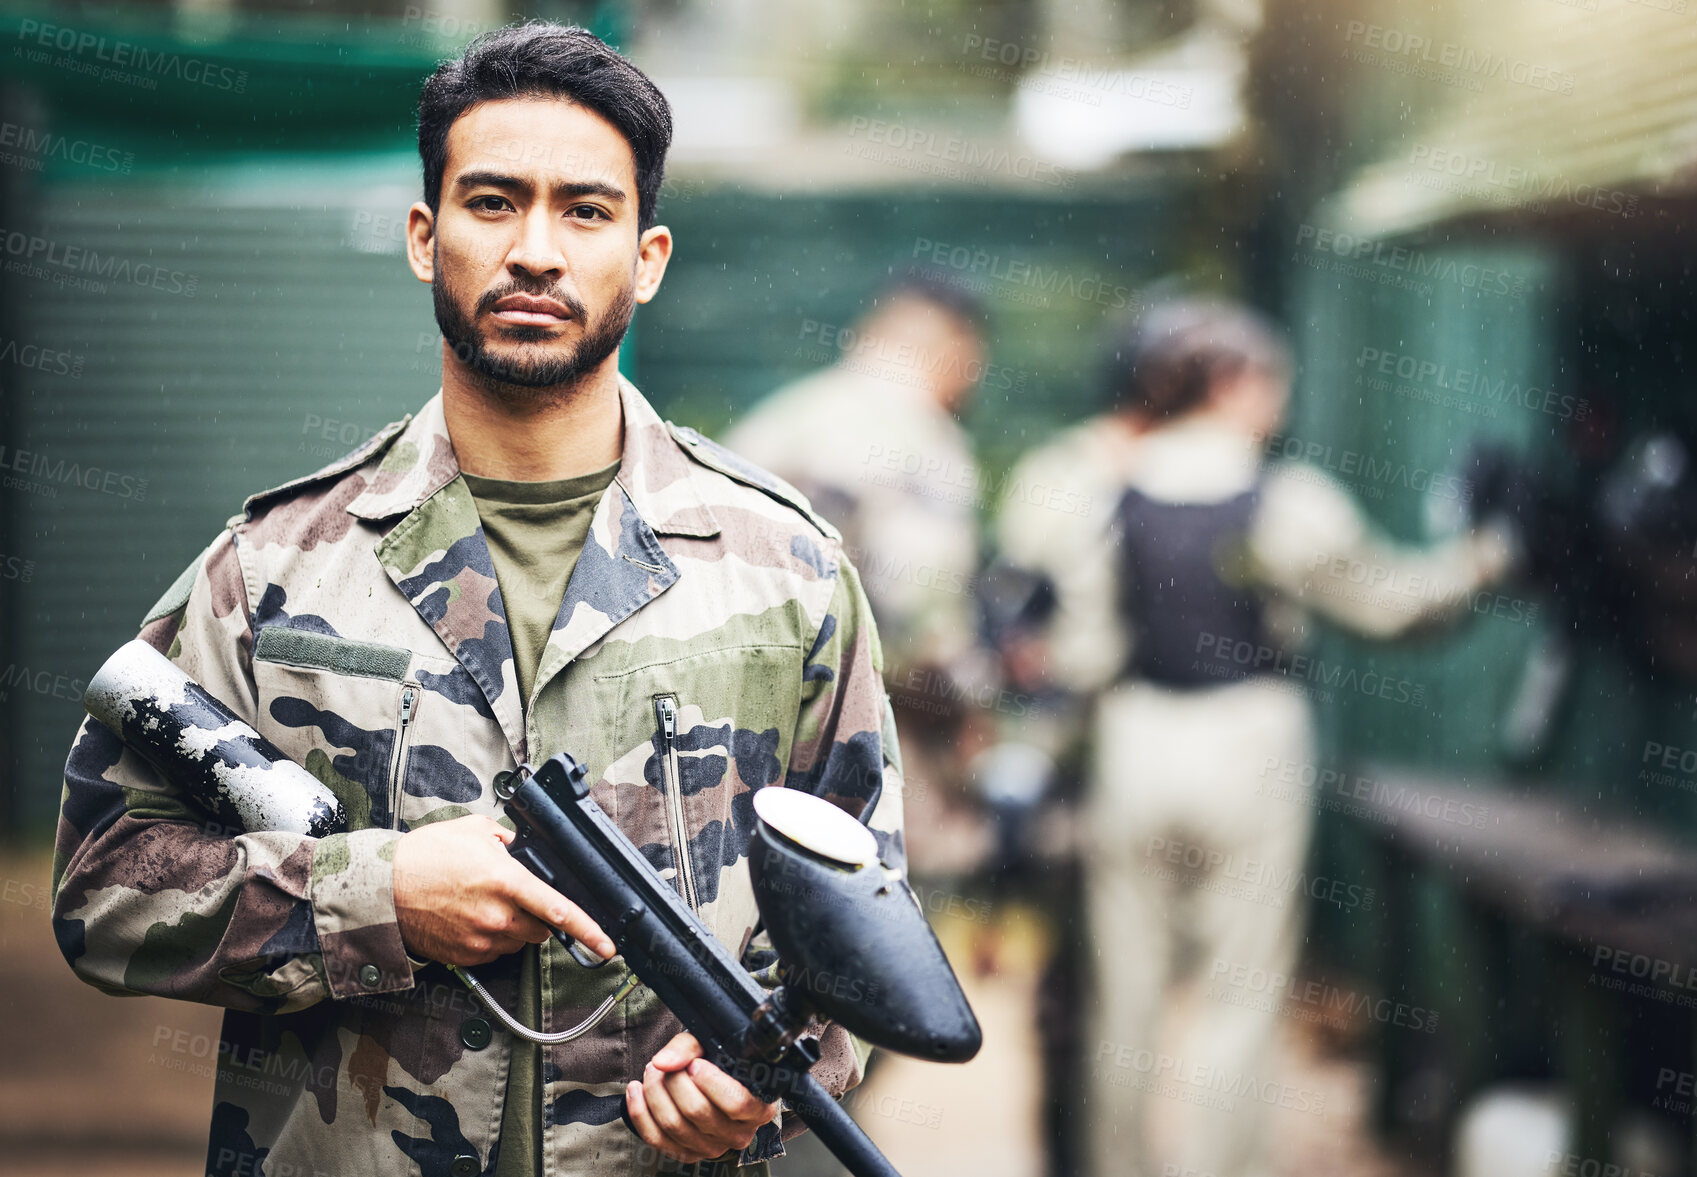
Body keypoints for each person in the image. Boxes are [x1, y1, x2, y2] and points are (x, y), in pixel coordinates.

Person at [49, 24, 902, 1177]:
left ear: (646, 258)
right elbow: (103, 886)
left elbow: (868, 915)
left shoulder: (783, 568)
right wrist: (375, 893)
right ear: (423, 235)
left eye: (584, 211)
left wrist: (763, 1081)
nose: (536, 251)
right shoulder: (273, 564)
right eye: (492, 202)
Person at [1046, 298, 1518, 1177]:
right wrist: (1483, 560)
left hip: (1135, 739)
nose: (1280, 402)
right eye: (1272, 382)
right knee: (1240, 989)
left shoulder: (1101, 487)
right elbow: (1392, 603)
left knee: (1126, 997)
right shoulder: (1283, 495)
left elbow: (1079, 653)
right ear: (1232, 384)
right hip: (1248, 741)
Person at [724, 278, 996, 878]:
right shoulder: (923, 438)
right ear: (956, 350)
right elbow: (920, 610)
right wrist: (969, 708)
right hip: (857, 711)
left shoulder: (783, 416)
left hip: (734, 699)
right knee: (874, 895)